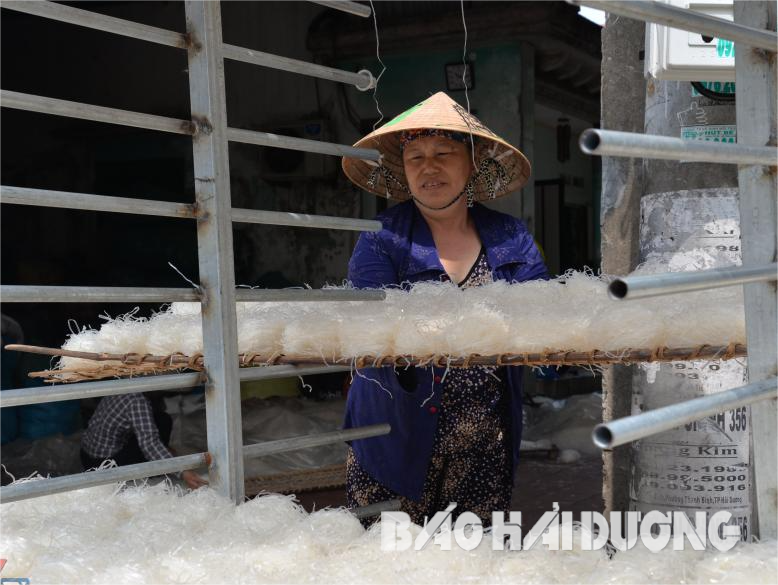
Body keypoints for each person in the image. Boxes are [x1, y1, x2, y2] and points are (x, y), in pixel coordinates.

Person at [340, 92, 548, 526]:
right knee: (390, 562)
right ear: (404, 170)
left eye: (443, 153)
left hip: (483, 445)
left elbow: (543, 314)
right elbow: (373, 322)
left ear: (472, 163)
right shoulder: (381, 237)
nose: (428, 167)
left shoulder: (510, 236)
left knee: (468, 563)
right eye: (415, 157)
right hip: (394, 438)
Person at [80, 392, 207, 489]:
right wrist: (182, 471)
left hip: (86, 455)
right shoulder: (137, 401)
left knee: (157, 419)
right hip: (105, 466)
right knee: (162, 421)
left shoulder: (122, 385)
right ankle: (155, 469)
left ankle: (163, 457)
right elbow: (150, 444)